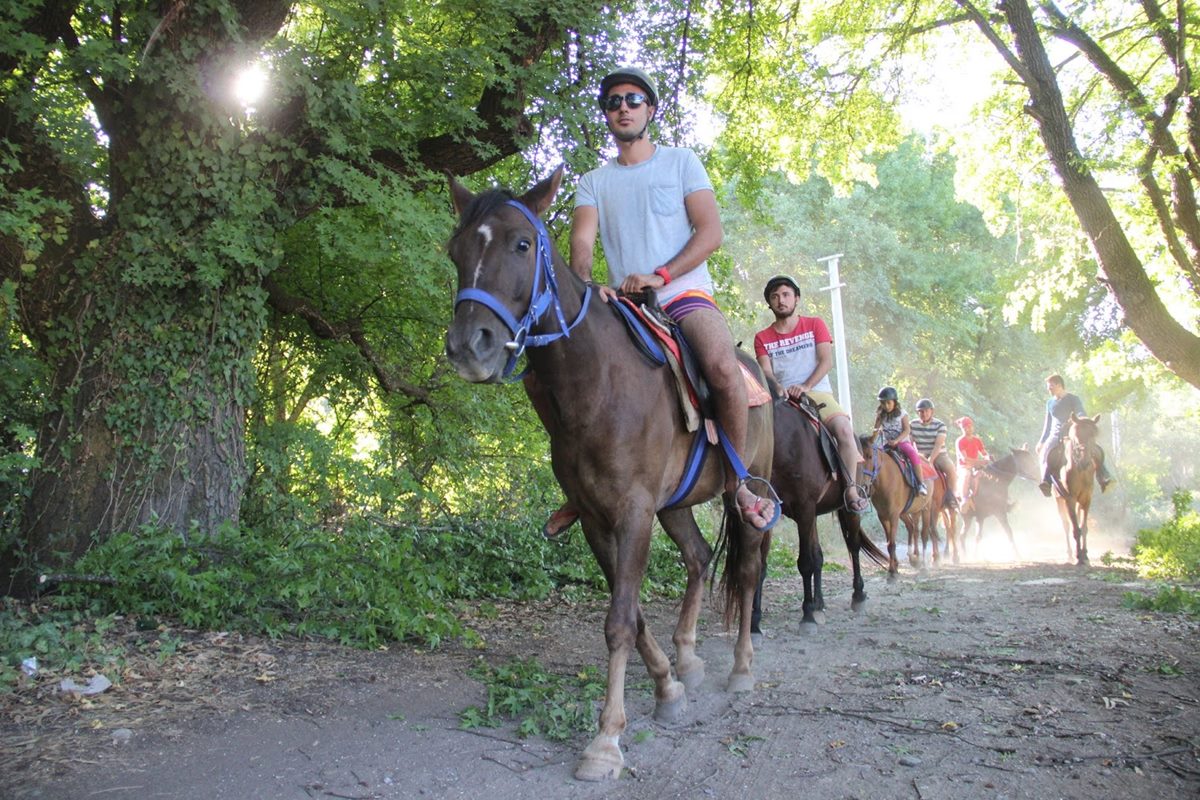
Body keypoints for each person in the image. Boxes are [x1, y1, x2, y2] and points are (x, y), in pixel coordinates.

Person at [562, 65, 775, 531]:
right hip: (624, 302)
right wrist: (586, 284)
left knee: (721, 366)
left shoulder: (681, 161)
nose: (622, 107)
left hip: (683, 293)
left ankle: (738, 480)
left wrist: (662, 275)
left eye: (632, 99)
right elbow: (581, 246)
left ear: (650, 109)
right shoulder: (593, 181)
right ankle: (582, 488)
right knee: (557, 369)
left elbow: (711, 231)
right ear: (606, 114)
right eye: (613, 101)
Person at [753, 275, 869, 513]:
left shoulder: (815, 324)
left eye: (786, 295)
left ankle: (851, 489)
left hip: (817, 393)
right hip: (781, 400)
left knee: (845, 432)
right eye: (774, 297)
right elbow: (766, 371)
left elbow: (826, 362)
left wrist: (805, 386)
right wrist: (777, 387)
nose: (780, 301)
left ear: (796, 299)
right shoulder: (762, 338)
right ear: (770, 304)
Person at [1036, 373, 1114, 497]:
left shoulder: (1073, 399)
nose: (1048, 389)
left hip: (1072, 432)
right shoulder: (1049, 403)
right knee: (1046, 451)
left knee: (1093, 447)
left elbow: (1080, 411)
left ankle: (1104, 476)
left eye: (1050, 386)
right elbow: (1048, 423)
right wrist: (1041, 441)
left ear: (1059, 385)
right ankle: (1046, 481)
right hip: (1055, 435)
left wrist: (1081, 420)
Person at [873, 387, 926, 495]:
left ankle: (921, 483)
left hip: (902, 442)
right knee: (874, 456)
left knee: (912, 453)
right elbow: (876, 430)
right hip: (887, 444)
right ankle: (871, 486)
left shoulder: (902, 413)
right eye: (883, 403)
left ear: (894, 402)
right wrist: (872, 442)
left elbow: (907, 430)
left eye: (888, 403)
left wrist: (897, 440)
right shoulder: (880, 414)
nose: (886, 406)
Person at [910, 398, 958, 508]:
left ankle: (952, 496)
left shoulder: (940, 425)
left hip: (939, 454)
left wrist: (930, 461)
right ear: (918, 412)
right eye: (921, 411)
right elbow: (910, 442)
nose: (924, 413)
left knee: (950, 468)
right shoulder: (912, 424)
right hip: (921, 455)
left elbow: (938, 445)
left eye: (927, 411)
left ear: (932, 411)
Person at [955, 416, 990, 502]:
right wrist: (981, 462)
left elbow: (984, 452)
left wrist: (987, 458)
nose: (968, 429)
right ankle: (964, 499)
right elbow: (965, 459)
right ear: (962, 429)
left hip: (976, 466)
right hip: (964, 467)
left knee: (991, 474)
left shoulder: (977, 440)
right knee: (966, 475)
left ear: (972, 427)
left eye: (970, 427)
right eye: (965, 428)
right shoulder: (960, 441)